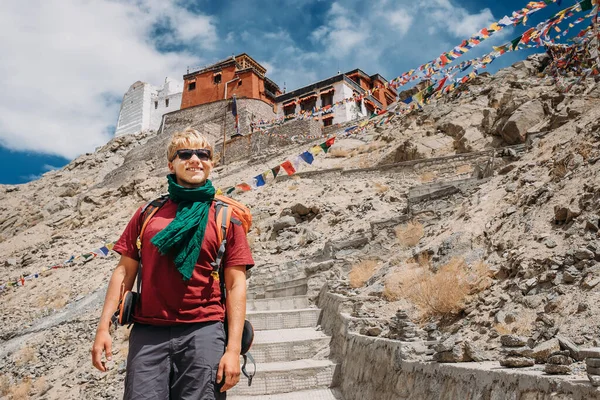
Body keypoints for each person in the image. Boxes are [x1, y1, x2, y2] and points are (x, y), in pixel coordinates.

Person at [91, 127, 254, 399]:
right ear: (171, 163)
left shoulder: (226, 217)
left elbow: (236, 284)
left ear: (211, 163)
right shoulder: (148, 213)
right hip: (148, 331)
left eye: (203, 154)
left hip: (204, 331)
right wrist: (103, 328)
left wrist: (233, 350)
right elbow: (124, 271)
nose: (195, 159)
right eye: (185, 153)